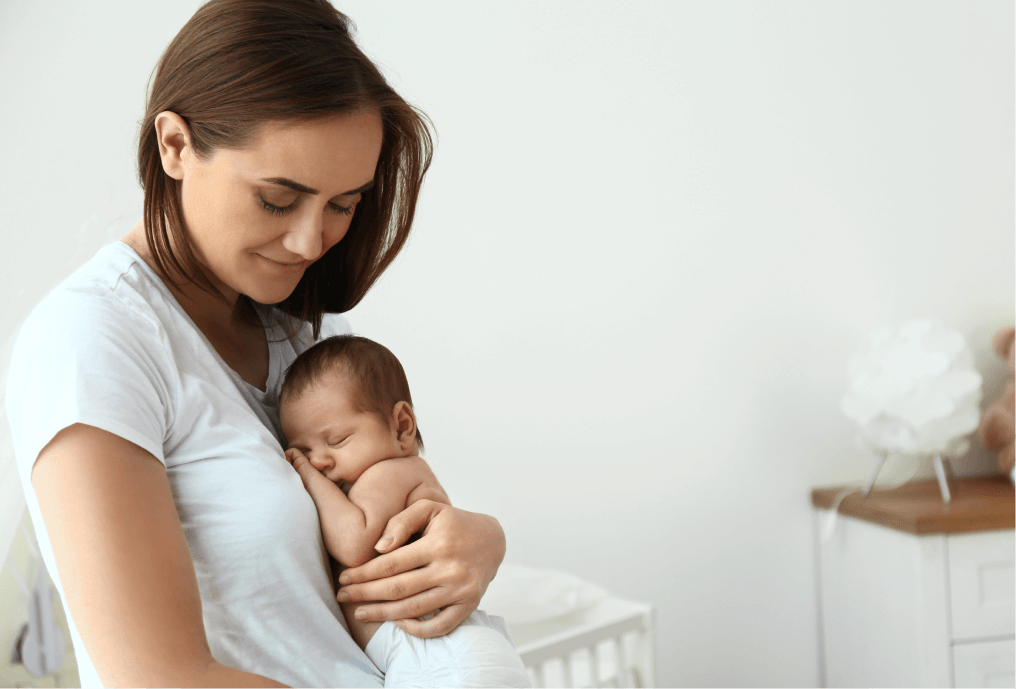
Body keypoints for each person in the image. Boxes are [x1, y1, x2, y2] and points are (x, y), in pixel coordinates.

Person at [4, 1, 507, 687]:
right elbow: (161, 677)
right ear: (174, 147)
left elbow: (381, 531)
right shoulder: (95, 340)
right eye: (278, 199)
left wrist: (473, 543)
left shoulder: (308, 329)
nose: (310, 242)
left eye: (342, 204)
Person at [279, 334, 532, 687]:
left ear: (401, 427)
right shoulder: (374, 480)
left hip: (444, 656)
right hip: (433, 653)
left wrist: (305, 473)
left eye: (336, 441)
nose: (319, 461)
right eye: (303, 450)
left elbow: (354, 543)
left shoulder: (388, 472)